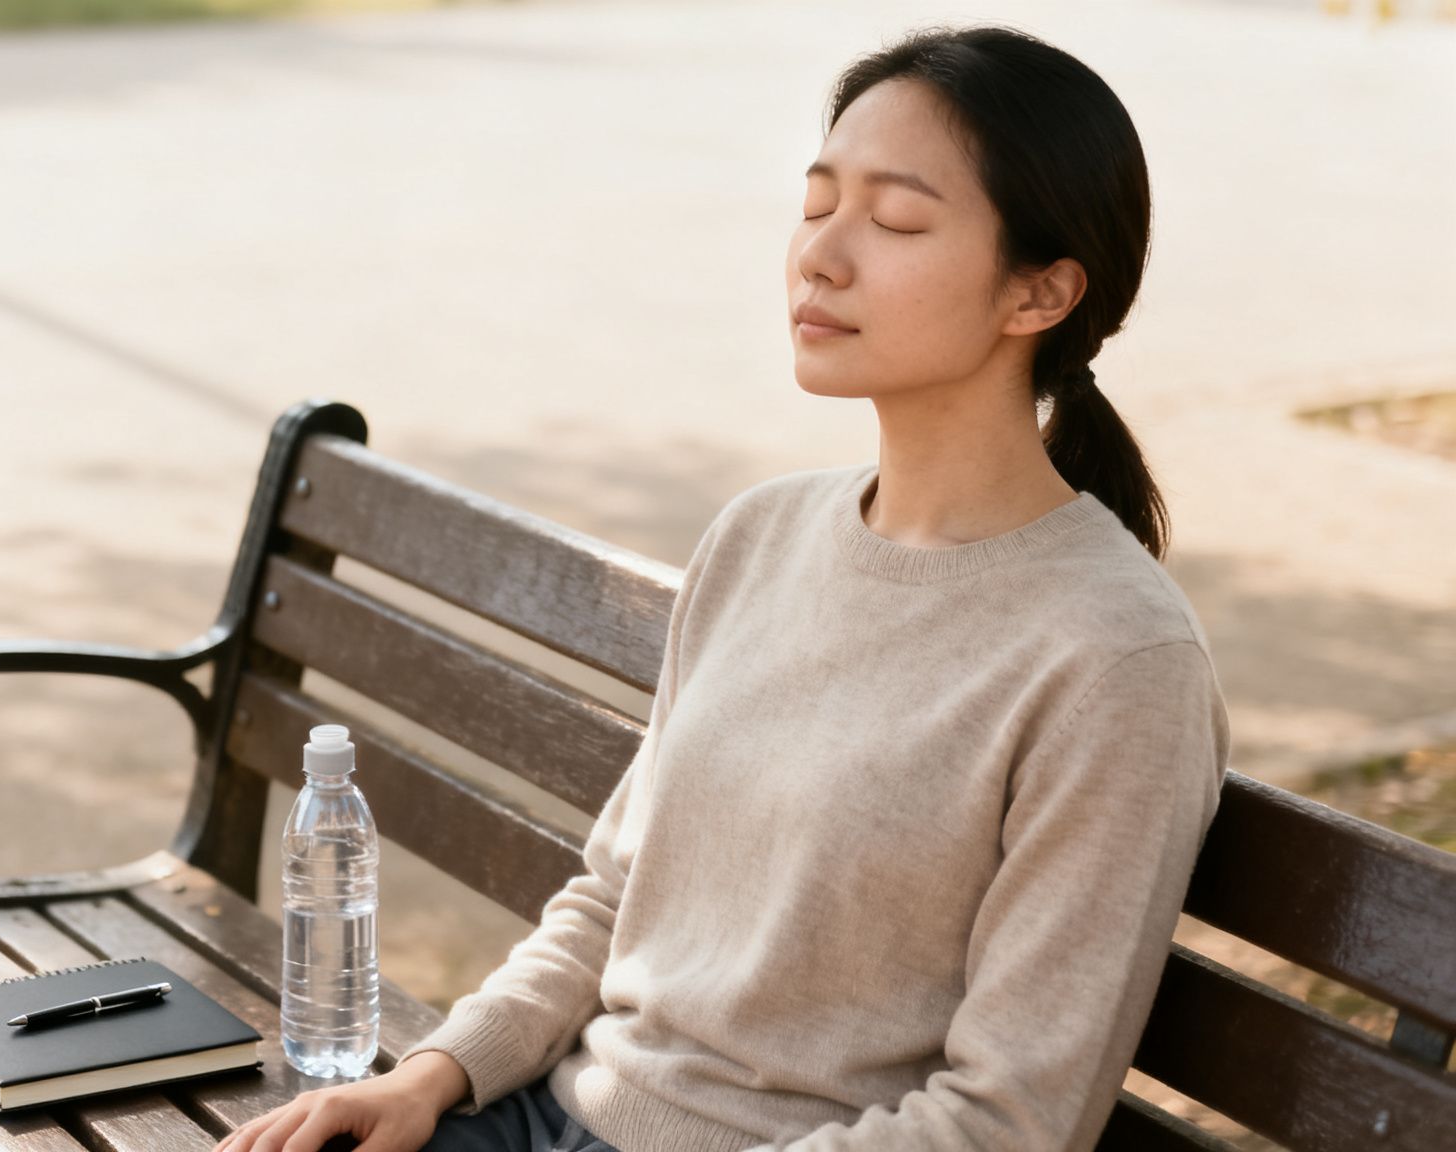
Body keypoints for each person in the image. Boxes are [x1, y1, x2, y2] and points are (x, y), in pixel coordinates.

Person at [212, 23, 1231, 1152]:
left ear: (1037, 294)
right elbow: (613, 901)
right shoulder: (761, 534)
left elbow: (1008, 1119)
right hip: (543, 1116)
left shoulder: (1113, 659)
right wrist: (437, 1073)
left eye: (894, 220)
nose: (820, 256)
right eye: (815, 204)